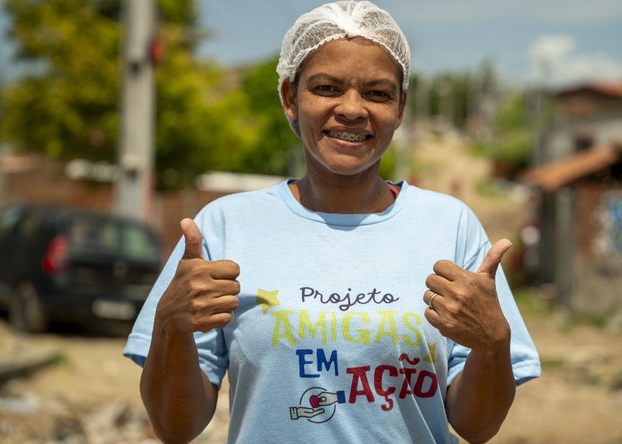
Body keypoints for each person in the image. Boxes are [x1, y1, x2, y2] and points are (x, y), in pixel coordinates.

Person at [124, 1, 541, 443]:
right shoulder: (225, 226)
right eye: (326, 87)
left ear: (401, 107)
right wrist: (170, 324)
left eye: (378, 93)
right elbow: (174, 427)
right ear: (290, 97)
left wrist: (493, 340)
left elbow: (477, 427)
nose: (352, 109)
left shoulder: (450, 226)